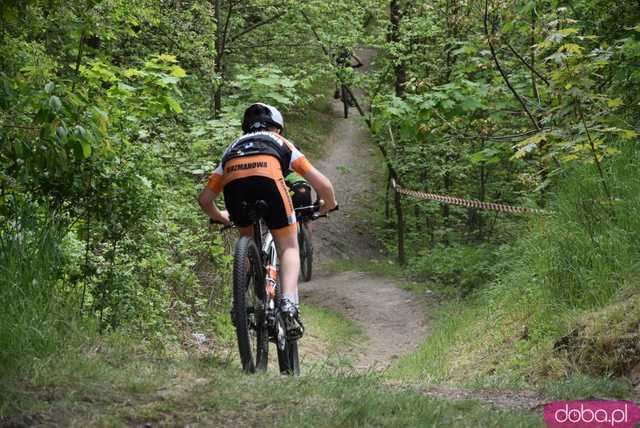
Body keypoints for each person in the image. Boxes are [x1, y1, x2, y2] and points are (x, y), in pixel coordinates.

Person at [197, 103, 338, 339]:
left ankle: (239, 303)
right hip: (270, 181)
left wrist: (220, 216)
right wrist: (329, 203)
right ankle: (289, 305)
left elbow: (204, 199)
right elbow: (323, 185)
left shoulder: (232, 148)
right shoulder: (282, 143)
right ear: (278, 128)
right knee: (289, 246)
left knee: (247, 237)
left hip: (235, 188)